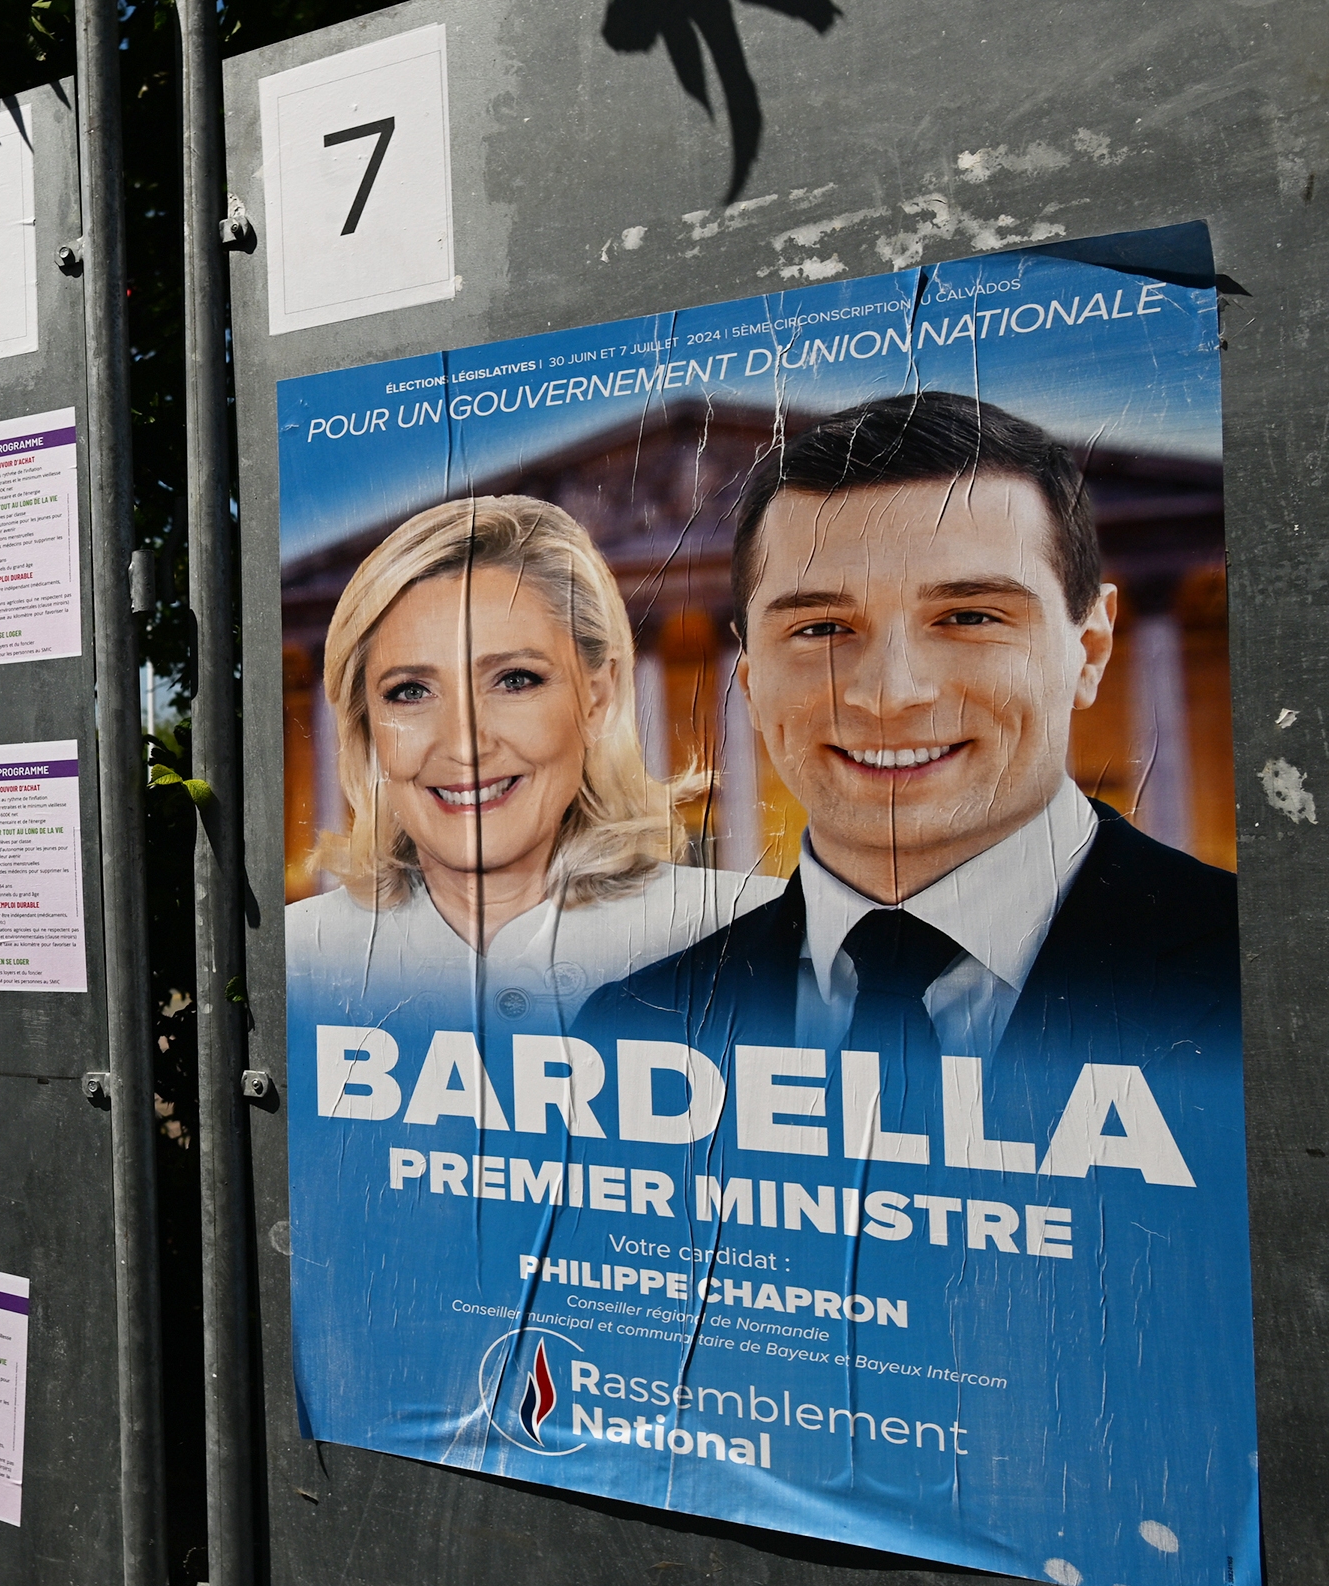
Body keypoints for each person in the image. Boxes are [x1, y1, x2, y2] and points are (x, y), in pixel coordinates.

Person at [579, 393, 1237, 1089]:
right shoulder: (631, 1027)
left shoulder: (1268, 973)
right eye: (822, 628)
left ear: (1092, 646)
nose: (889, 693)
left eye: (969, 616)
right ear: (749, 676)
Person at [287, 496, 775, 1032]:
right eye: (410, 691)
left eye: (515, 679)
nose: (465, 744)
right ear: (364, 724)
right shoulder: (296, 961)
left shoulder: (767, 943)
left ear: (597, 696)